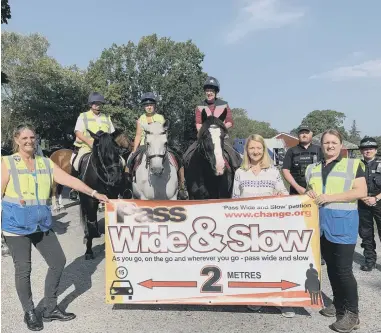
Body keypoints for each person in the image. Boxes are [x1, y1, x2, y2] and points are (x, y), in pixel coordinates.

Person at [1, 124, 109, 331]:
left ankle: (50, 308)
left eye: (32, 137)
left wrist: (94, 193)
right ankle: (30, 311)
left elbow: (69, 180)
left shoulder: (45, 163)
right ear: (16, 140)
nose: (29, 141)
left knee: (58, 261)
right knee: (24, 270)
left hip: (41, 224)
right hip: (16, 226)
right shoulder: (7, 163)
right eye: (24, 138)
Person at [305, 129, 367, 333]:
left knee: (343, 271)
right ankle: (339, 303)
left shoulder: (353, 165)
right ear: (321, 146)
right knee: (331, 269)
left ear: (341, 145)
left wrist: (329, 197)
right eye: (326, 143)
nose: (330, 146)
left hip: (343, 225)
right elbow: (310, 193)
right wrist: (309, 193)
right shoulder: (312, 168)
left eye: (334, 142)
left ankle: (352, 314)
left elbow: (360, 192)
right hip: (321, 226)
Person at [232, 134, 295, 318]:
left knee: (275, 264)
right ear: (247, 150)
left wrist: (280, 196)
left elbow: (283, 193)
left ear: (263, 149)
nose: (255, 151)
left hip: (270, 227)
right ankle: (256, 297)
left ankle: (282, 301)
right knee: (253, 265)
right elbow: (234, 200)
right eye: (252, 148)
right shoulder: (240, 172)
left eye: (258, 148)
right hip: (247, 228)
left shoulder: (273, 171)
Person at [126, 92, 187, 198]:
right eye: (146, 105)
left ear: (154, 106)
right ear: (143, 107)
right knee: (129, 161)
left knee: (178, 158)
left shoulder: (160, 118)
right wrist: (134, 150)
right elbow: (138, 135)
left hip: (160, 145)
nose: (149, 107)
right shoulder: (141, 119)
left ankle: (182, 185)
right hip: (144, 145)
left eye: (151, 105)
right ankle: (127, 188)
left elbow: (164, 133)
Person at [183, 76, 242, 171]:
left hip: (221, 138)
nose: (209, 93)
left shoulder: (224, 104)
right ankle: (185, 180)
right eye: (207, 90)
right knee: (187, 155)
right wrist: (204, 132)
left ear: (215, 91)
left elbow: (230, 121)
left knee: (234, 156)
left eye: (211, 90)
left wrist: (220, 128)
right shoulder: (199, 106)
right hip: (205, 137)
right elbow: (198, 123)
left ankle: (236, 176)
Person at [71, 92, 115, 178]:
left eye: (100, 104)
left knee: (121, 162)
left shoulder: (106, 117)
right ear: (91, 105)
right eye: (96, 104)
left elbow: (111, 134)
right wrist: (90, 142)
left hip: (104, 149)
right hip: (87, 146)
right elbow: (78, 132)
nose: (98, 106)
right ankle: (77, 187)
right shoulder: (83, 116)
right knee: (76, 164)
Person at [357, 137, 381, 271]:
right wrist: (362, 197)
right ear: (361, 151)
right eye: (365, 149)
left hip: (379, 202)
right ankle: (369, 260)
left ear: (375, 150)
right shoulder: (356, 165)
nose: (368, 151)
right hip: (363, 203)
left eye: (370, 148)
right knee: (365, 233)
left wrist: (376, 198)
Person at [282, 125, 322, 195]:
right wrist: (298, 188)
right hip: (296, 192)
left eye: (306, 132)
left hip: (317, 192)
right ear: (298, 135)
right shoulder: (291, 151)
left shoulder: (320, 150)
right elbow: (285, 170)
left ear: (311, 134)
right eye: (302, 133)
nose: (304, 135)